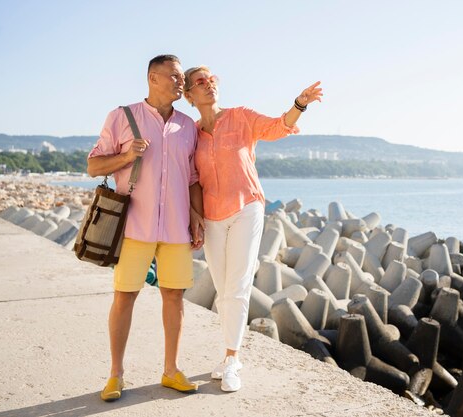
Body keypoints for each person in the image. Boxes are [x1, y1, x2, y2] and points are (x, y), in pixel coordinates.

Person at [184, 65, 322, 392]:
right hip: (213, 215)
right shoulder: (190, 133)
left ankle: (232, 359)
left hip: (248, 206)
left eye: (212, 79)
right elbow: (191, 178)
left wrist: (299, 105)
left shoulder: (241, 117)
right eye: (200, 82)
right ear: (189, 96)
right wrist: (195, 215)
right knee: (222, 286)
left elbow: (277, 127)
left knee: (238, 283)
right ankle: (229, 354)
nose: (209, 85)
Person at [87, 54, 204, 402]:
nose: (180, 82)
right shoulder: (122, 117)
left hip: (176, 228)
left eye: (182, 77)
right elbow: (94, 166)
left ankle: (171, 370)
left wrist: (196, 215)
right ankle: (115, 376)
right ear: (153, 78)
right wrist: (126, 157)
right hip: (134, 227)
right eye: (174, 76)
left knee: (174, 297)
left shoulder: (188, 125)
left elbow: (193, 177)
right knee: (125, 298)